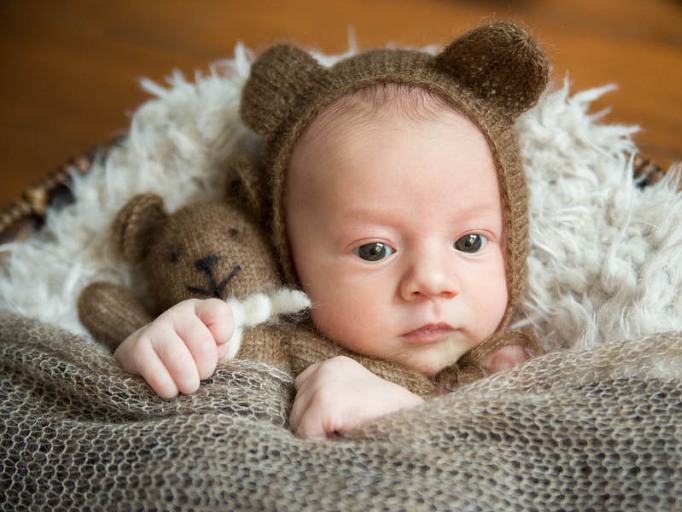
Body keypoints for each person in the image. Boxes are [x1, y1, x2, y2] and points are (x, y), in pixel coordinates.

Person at [113, 22, 549, 439]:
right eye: (374, 250)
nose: (432, 282)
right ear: (291, 257)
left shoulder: (518, 366)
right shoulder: (265, 346)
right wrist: (158, 357)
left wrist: (404, 415)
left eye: (470, 242)